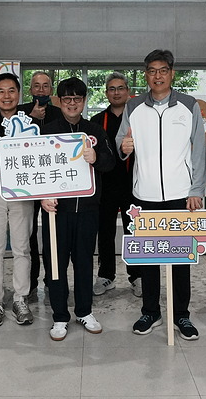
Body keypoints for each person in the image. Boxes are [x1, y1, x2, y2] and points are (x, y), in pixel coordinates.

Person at [116, 49, 206, 340]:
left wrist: (196, 189)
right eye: (152, 71)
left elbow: (199, 149)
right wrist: (123, 147)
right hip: (144, 195)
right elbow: (121, 139)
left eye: (163, 70)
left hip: (181, 195)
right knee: (149, 259)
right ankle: (151, 311)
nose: (158, 76)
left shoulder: (188, 105)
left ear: (172, 73)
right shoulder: (134, 106)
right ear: (146, 75)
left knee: (181, 258)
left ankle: (181, 315)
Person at [40, 78, 115, 340]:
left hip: (87, 210)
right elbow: (36, 169)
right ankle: (60, 316)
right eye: (67, 99)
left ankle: (84, 311)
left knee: (84, 261)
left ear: (84, 101)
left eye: (77, 99)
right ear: (59, 101)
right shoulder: (47, 131)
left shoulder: (95, 130)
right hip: (55, 211)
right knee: (56, 264)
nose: (72, 104)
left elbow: (110, 162)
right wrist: (42, 198)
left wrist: (96, 158)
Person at [0, 73, 35, 327]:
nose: (6, 96)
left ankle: (20, 299)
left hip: (22, 194)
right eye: (1, 91)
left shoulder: (29, 122)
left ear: (19, 94)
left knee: (22, 248)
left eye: (11, 90)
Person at [90, 72, 141, 297]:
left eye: (120, 88)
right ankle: (106, 276)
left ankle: (137, 275)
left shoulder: (138, 117)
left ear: (128, 91)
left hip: (134, 186)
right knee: (105, 231)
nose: (116, 92)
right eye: (112, 89)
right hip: (105, 185)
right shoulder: (96, 121)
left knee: (134, 230)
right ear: (106, 93)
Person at [17, 71, 61, 301]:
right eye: (36, 86)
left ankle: (52, 281)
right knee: (29, 234)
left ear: (51, 90)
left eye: (45, 86)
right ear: (30, 89)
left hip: (53, 180)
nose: (41, 90)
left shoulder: (59, 112)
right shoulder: (20, 112)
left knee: (52, 233)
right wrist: (31, 118)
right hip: (27, 181)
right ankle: (31, 283)